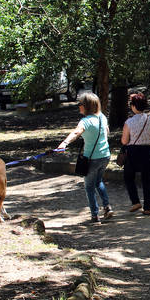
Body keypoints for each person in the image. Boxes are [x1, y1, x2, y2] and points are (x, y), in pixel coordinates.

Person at [57, 92, 113, 225]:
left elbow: (76, 132)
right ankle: (107, 207)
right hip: (105, 155)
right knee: (98, 181)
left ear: (86, 106)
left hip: (92, 158)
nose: (79, 106)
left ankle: (95, 216)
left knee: (89, 187)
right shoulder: (102, 117)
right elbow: (107, 132)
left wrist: (64, 143)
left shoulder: (85, 121)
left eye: (80, 104)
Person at [121, 92, 150, 215]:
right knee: (147, 180)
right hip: (148, 151)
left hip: (134, 153)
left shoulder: (129, 122)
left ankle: (135, 201)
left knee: (128, 177)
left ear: (133, 106)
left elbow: (125, 141)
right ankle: (148, 208)